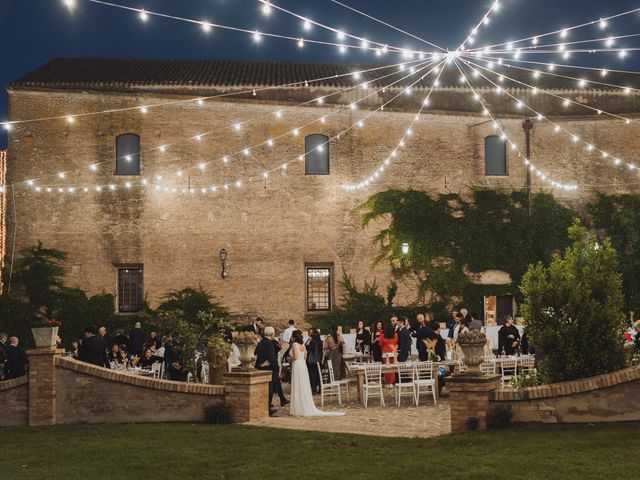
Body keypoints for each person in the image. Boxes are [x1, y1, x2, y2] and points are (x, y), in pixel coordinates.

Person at [289, 330, 345, 417]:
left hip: (297, 365)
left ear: (294, 337)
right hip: (303, 365)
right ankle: (304, 405)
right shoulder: (303, 345)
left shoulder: (294, 345)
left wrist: (290, 358)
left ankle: (298, 407)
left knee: (298, 385)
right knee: (303, 385)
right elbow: (304, 356)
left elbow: (295, 357)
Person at [255, 326, 279, 416]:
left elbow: (256, 352)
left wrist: (259, 364)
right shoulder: (269, 343)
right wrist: (276, 368)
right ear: (272, 334)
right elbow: (271, 357)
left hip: (262, 368)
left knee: (266, 390)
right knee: (269, 391)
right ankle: (267, 410)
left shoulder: (262, 342)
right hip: (269, 370)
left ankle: (267, 408)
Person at [270, 335, 289, 407]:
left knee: (277, 384)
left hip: (275, 366)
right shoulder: (272, 343)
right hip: (273, 366)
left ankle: (282, 399)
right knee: (274, 385)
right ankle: (281, 399)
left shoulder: (272, 342)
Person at [305, 328, 323, 394]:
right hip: (319, 360)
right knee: (319, 375)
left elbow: (310, 351)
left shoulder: (312, 342)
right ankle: (320, 389)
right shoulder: (320, 342)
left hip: (312, 361)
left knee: (312, 375)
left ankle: (313, 389)